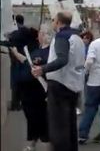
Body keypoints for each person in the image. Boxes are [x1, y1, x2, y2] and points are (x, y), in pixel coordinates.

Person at [31, 11, 86, 151]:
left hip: (60, 85)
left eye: (54, 20)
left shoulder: (62, 37)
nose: (52, 22)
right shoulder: (77, 38)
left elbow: (62, 59)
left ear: (59, 22)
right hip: (73, 85)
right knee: (70, 126)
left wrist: (43, 69)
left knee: (59, 127)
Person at [10, 25, 53, 151]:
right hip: (27, 92)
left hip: (39, 91)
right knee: (31, 118)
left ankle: (47, 144)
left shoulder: (50, 52)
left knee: (41, 118)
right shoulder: (37, 49)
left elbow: (43, 68)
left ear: (46, 36)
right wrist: (16, 53)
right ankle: (32, 143)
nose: (38, 35)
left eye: (41, 33)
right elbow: (28, 62)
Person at [7, 14, 33, 111]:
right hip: (24, 58)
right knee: (22, 81)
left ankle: (15, 104)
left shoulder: (14, 32)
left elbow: (10, 43)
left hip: (15, 59)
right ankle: (20, 102)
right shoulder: (26, 30)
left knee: (15, 82)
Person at [77, 30, 94, 115]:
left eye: (87, 38)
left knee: (87, 90)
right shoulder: (80, 47)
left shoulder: (91, 48)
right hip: (81, 71)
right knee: (79, 89)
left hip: (88, 71)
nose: (85, 40)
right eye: (83, 38)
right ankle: (80, 107)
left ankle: (88, 106)